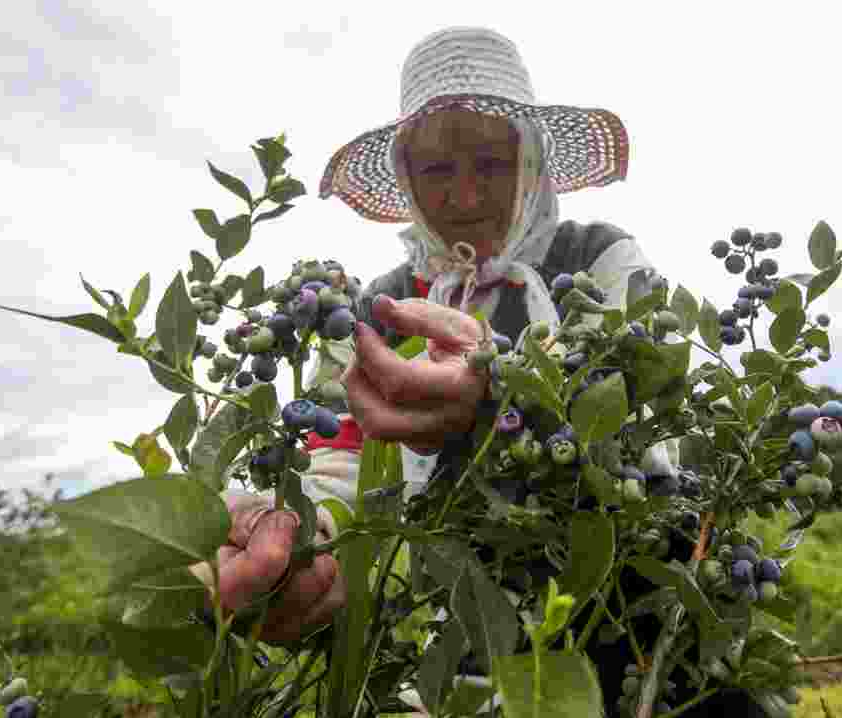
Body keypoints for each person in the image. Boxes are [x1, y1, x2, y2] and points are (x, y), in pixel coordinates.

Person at [190, 27, 763, 718]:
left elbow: (652, 404)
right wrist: (301, 533)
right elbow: (339, 451)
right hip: (472, 607)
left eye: (491, 162)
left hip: (634, 577)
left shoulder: (598, 255)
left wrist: (506, 387)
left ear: (531, 162)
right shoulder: (386, 302)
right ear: (406, 181)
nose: (464, 195)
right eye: (436, 170)